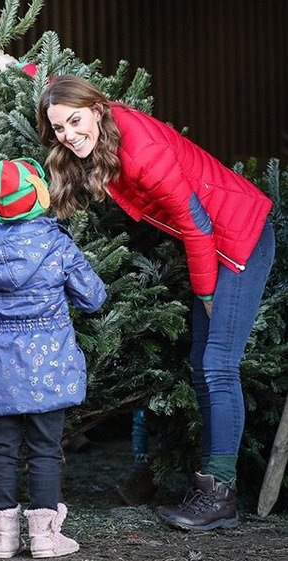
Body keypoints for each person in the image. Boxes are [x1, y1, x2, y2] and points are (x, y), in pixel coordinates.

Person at [36, 74, 275, 531]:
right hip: (218, 240)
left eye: (74, 122)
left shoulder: (139, 149)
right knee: (202, 361)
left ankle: (220, 493)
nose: (68, 135)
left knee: (219, 364)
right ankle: (211, 487)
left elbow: (197, 223)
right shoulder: (104, 124)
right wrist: (17, 68)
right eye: (59, 128)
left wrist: (206, 293)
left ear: (97, 110)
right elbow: (59, 80)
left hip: (240, 238)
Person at [0, 158, 106, 558]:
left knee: (1, 447)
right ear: (39, 195)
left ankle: (2, 538)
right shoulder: (56, 245)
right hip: (48, 364)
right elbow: (93, 298)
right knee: (44, 447)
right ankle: (44, 537)